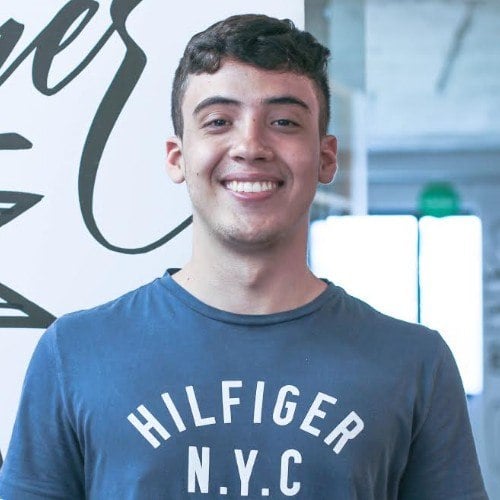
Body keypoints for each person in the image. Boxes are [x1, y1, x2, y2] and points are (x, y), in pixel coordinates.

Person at [0, 13, 488, 499]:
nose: (250, 146)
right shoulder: (74, 353)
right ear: (177, 157)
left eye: (284, 122)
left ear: (325, 157)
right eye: (218, 122)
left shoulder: (415, 363)